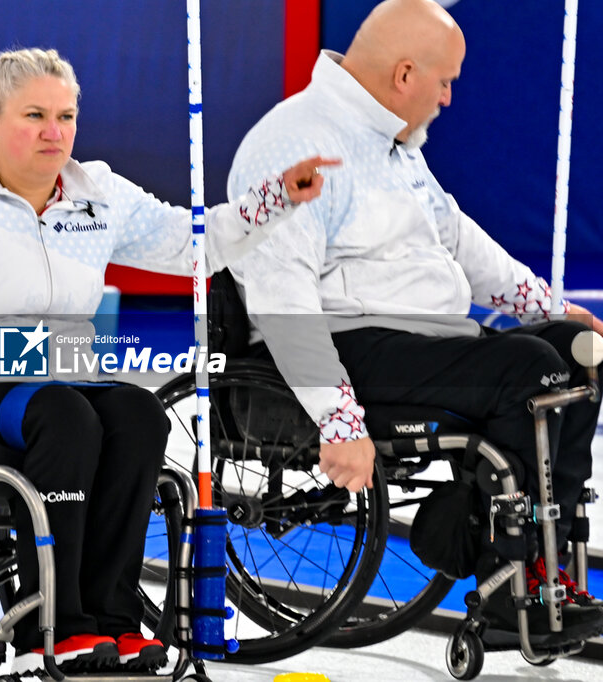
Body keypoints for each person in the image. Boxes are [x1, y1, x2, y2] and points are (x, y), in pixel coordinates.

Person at [0, 47, 334, 674]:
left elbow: (190, 243)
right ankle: (51, 626)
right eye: (34, 114)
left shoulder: (98, 195)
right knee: (65, 415)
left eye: (65, 116)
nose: (53, 131)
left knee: (140, 415)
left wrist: (276, 198)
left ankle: (113, 621)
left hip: (53, 386)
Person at [226, 0, 603, 645]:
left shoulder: (390, 145)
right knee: (530, 372)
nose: (449, 98)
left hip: (424, 341)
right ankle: (500, 570)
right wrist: (338, 420)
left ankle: (545, 554)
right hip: (350, 343)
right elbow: (280, 297)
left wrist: (548, 309)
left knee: (577, 351)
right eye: (445, 80)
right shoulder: (297, 142)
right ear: (405, 74)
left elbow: (459, 239)